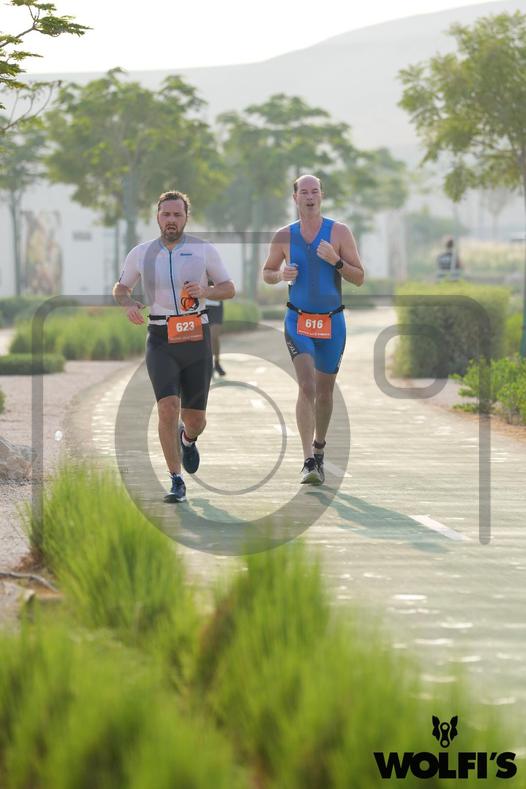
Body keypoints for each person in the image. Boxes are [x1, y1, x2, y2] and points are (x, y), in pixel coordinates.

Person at [113, 190, 235, 503]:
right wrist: (128, 303)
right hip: (160, 337)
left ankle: (188, 439)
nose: (171, 220)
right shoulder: (141, 253)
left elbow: (228, 288)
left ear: (185, 218)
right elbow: (121, 287)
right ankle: (176, 480)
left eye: (177, 215)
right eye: (166, 214)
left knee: (195, 420)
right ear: (157, 217)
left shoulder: (203, 250)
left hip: (196, 337)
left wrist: (205, 291)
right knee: (167, 407)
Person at [263, 174, 365, 485]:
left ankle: (319, 447)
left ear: (322, 195)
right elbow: (267, 272)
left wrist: (336, 261)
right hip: (298, 321)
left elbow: (359, 277)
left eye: (315, 191)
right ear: (294, 197)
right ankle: (308, 460)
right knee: (306, 386)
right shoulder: (284, 235)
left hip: (332, 322)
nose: (310, 197)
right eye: (304, 192)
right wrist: (281, 275)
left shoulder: (339, 232)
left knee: (324, 392)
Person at [206, 279, 226, 376]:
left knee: (214, 336)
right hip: (202, 304)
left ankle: (217, 363)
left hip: (216, 305)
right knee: (204, 337)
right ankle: (208, 364)